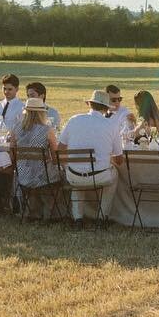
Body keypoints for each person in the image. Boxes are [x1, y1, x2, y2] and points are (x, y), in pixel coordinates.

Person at [57, 90, 124, 221]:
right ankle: (102, 216)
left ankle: (78, 218)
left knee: (77, 173)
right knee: (114, 172)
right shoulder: (111, 125)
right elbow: (119, 160)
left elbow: (60, 150)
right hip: (100, 177)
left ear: (90, 105)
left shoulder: (74, 120)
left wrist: (69, 165)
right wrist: (105, 157)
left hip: (74, 176)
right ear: (106, 108)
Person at [11, 96, 59, 220]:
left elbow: (12, 153)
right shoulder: (48, 130)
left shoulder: (16, 128)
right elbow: (55, 157)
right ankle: (49, 213)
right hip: (42, 176)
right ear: (42, 113)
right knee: (59, 176)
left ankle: (30, 211)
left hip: (22, 175)